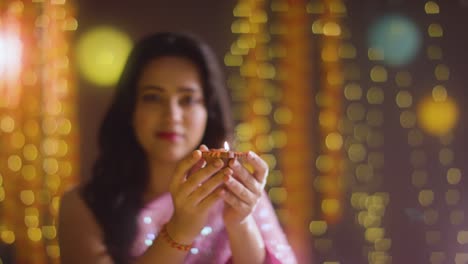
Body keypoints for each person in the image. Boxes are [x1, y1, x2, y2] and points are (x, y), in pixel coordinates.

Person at [58, 31, 297, 264]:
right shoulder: (83, 206)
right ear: (130, 110)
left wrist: (240, 222)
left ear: (208, 112)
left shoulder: (238, 191)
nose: (171, 115)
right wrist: (179, 231)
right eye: (153, 97)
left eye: (187, 99)